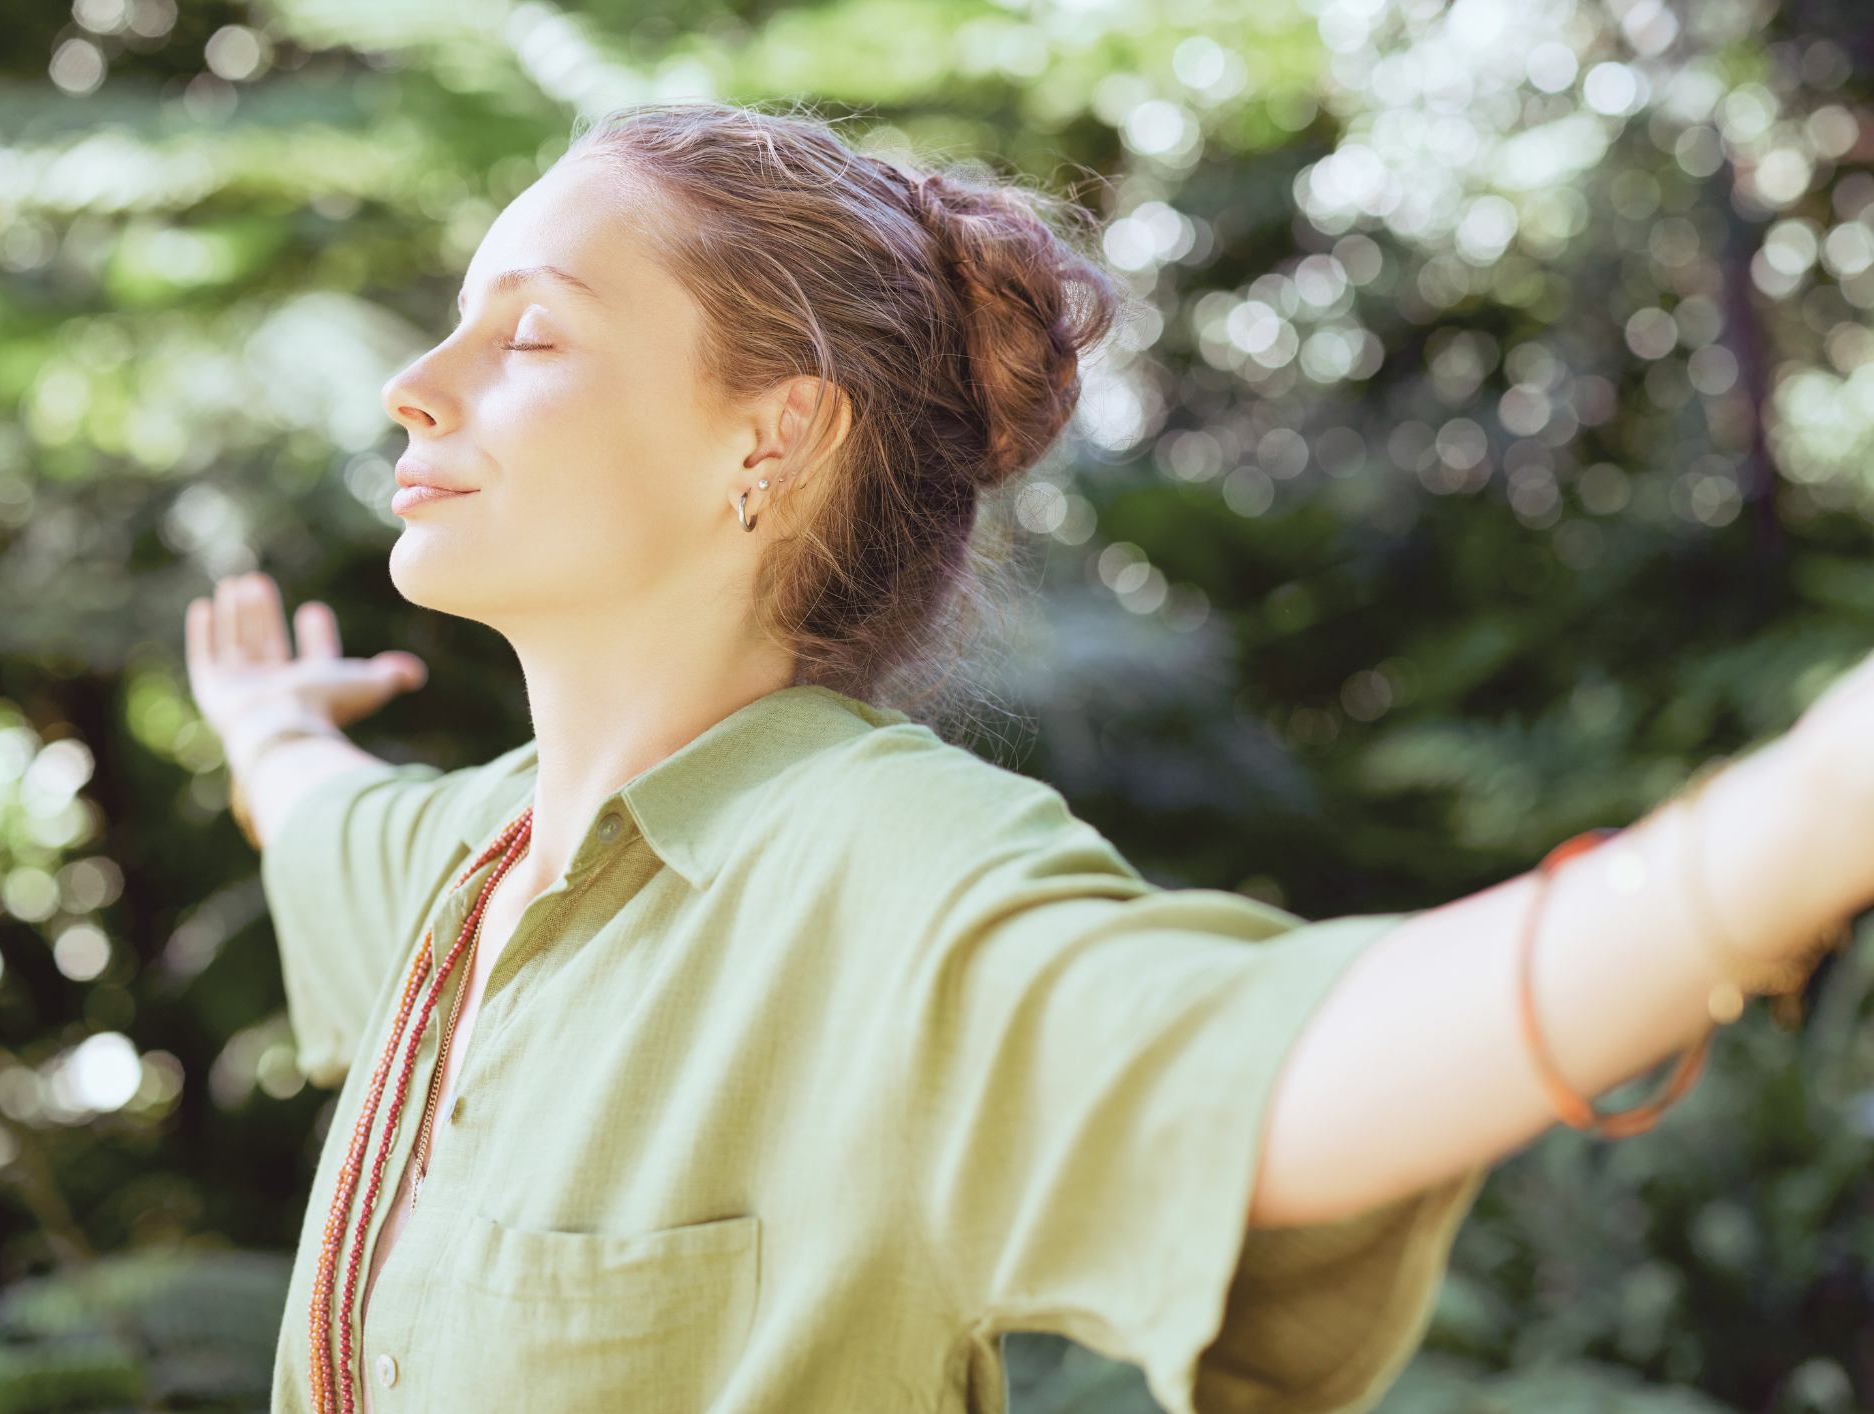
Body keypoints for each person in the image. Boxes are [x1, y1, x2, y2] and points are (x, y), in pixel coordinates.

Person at [185, 103, 1873, 1414]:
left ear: (769, 435)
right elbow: (315, 816)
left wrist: (1803, 823)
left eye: (529, 334)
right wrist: (268, 719)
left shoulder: (874, 862)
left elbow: (1273, 1074)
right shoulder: (458, 864)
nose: (418, 385)